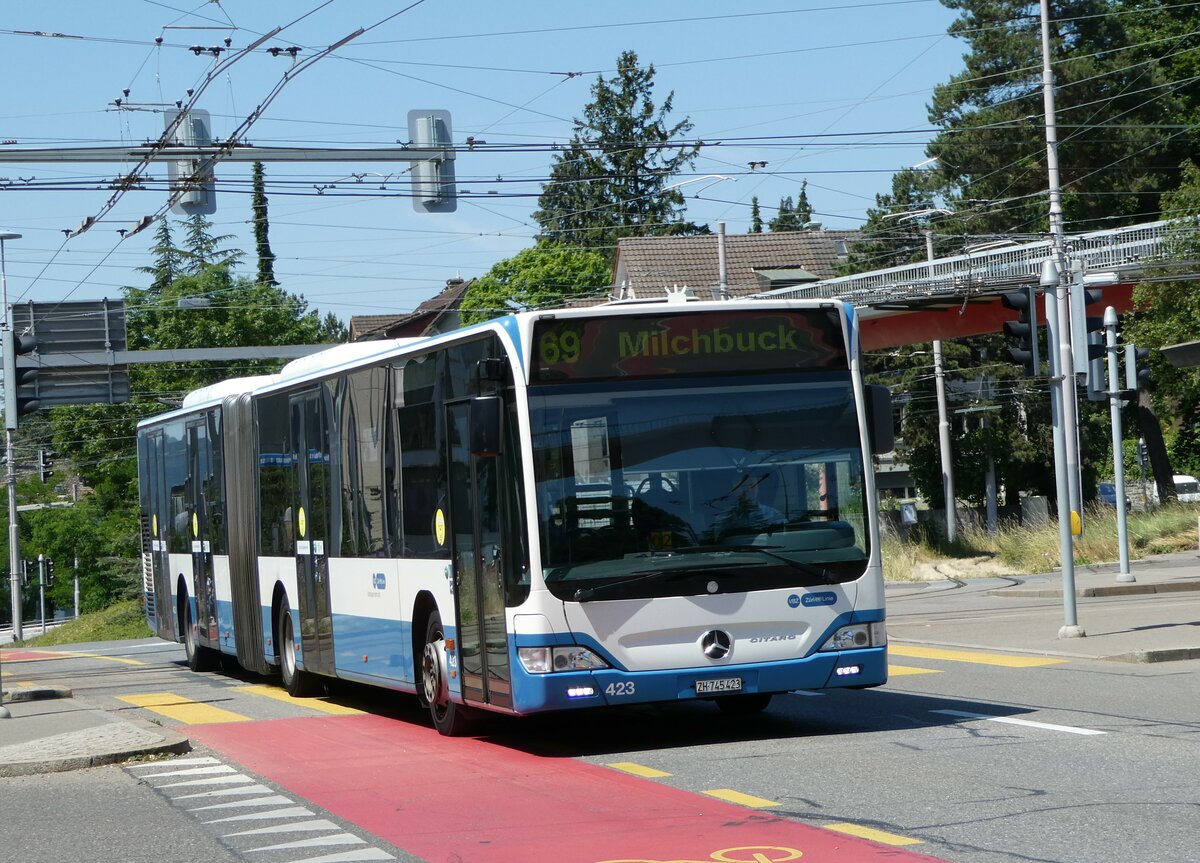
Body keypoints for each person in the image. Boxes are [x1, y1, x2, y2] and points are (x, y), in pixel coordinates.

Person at [712, 472, 786, 537]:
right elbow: (718, 544)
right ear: (734, 490)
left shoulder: (775, 515)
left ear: (758, 488)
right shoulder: (723, 517)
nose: (748, 490)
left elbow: (783, 540)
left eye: (752, 485)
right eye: (743, 486)